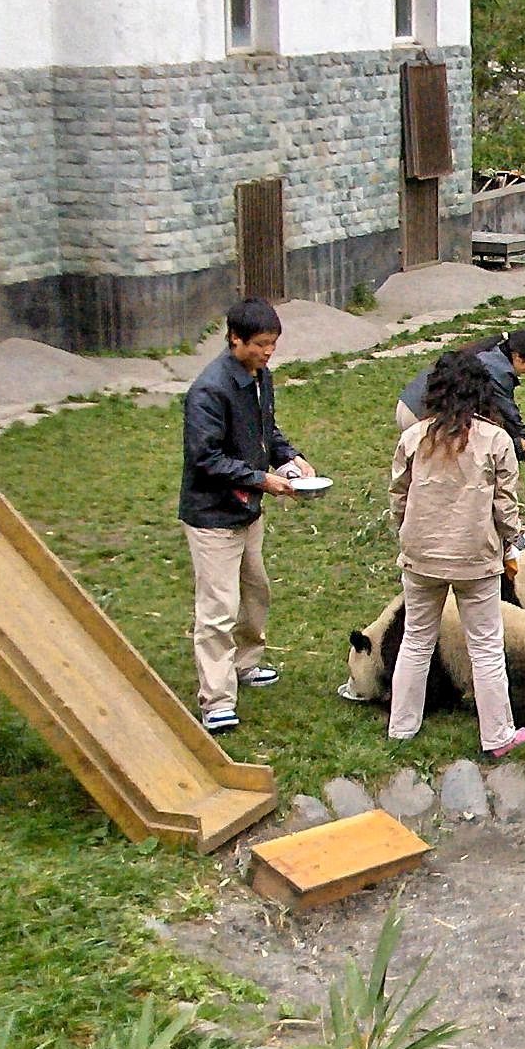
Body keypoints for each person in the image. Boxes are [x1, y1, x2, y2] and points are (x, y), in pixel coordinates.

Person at [179, 298, 314, 734]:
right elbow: (205, 459)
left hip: (247, 510)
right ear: (234, 339)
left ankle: (246, 663)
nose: (268, 352)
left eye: (273, 344)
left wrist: (290, 458)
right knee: (218, 608)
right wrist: (263, 480)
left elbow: (264, 430)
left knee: (255, 592)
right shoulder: (209, 391)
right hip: (213, 515)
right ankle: (216, 699)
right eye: (260, 345)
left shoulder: (260, 377)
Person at [387, 348, 525, 758]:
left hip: (421, 555)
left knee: (417, 638)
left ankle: (402, 727)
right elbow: (505, 503)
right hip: (475, 557)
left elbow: (399, 495)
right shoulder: (495, 440)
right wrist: (509, 543)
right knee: (485, 646)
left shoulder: (412, 438)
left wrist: (407, 535)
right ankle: (498, 735)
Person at [395, 329, 525, 497]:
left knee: (425, 471)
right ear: (518, 357)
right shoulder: (498, 372)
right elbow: (513, 424)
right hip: (421, 415)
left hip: (406, 405)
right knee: (439, 478)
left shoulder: (488, 351)